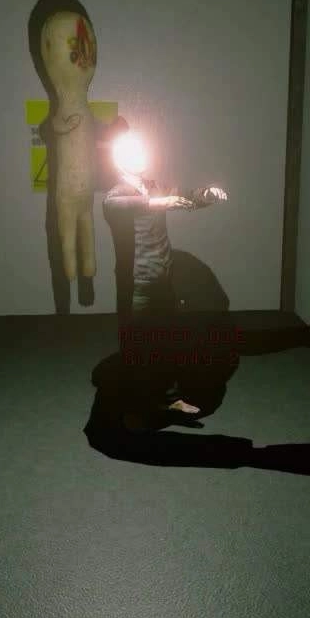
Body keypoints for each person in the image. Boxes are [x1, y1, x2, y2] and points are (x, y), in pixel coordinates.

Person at [102, 132, 227, 417]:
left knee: (169, 342)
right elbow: (115, 206)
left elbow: (185, 197)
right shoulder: (117, 193)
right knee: (137, 346)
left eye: (142, 152)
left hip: (163, 283)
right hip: (137, 286)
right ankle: (136, 405)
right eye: (133, 153)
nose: (141, 157)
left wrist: (206, 194)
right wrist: (158, 203)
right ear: (119, 161)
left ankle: (170, 398)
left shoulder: (154, 186)